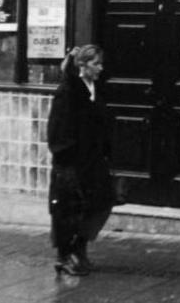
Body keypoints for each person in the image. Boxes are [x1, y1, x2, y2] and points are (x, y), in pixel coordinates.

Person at [46, 45, 114, 276]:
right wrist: (67, 158)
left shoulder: (95, 88)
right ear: (82, 66)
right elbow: (57, 130)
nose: (101, 68)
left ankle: (79, 248)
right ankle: (65, 256)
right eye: (96, 64)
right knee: (68, 210)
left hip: (93, 160)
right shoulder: (67, 92)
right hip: (72, 162)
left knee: (101, 203)